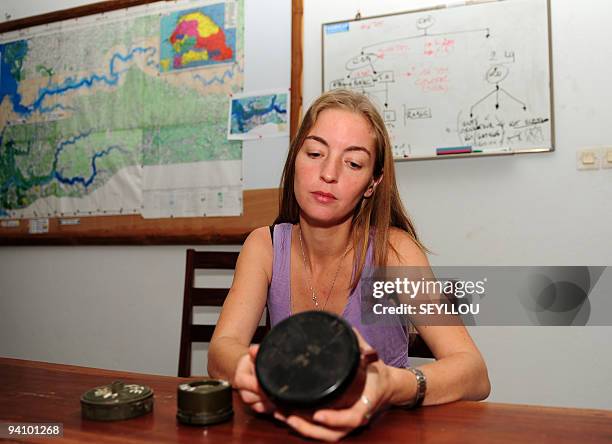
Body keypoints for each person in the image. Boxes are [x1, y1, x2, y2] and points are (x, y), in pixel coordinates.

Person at [208, 89, 490, 442]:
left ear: (373, 182)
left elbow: (475, 373)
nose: (328, 173)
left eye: (353, 163)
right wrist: (247, 369)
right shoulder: (263, 246)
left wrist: (395, 385)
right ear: (295, 158)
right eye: (314, 153)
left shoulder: (394, 252)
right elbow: (222, 349)